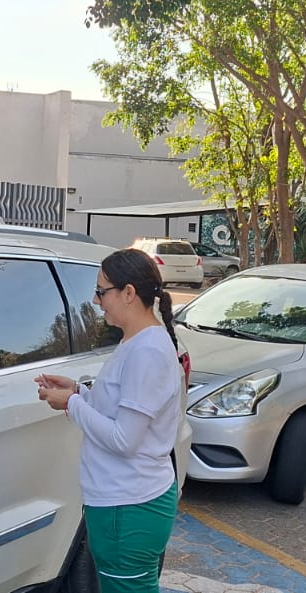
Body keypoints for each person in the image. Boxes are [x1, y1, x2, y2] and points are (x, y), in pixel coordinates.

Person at [35, 249, 185, 593]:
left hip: (128, 505)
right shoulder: (138, 343)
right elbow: (119, 410)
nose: (96, 300)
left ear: (129, 293)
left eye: (102, 291)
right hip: (126, 502)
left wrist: (72, 403)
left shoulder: (146, 351)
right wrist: (79, 392)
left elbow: (123, 439)